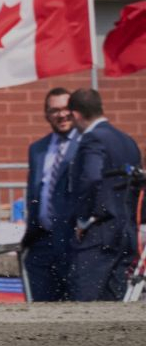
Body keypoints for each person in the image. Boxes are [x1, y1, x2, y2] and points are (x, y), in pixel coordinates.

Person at [61, 89, 142, 302]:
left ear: (76, 114)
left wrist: (83, 219)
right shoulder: (128, 141)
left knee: (83, 299)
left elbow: (91, 177)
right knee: (114, 302)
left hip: (100, 233)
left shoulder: (93, 139)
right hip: (126, 233)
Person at [21, 87, 80, 302]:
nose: (61, 115)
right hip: (42, 242)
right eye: (55, 110)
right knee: (42, 308)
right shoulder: (38, 148)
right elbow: (34, 191)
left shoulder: (87, 143)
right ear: (47, 114)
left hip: (74, 241)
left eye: (66, 108)